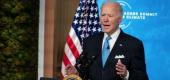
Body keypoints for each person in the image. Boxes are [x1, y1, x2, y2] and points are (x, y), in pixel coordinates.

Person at [65, 1, 148, 80]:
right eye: (103, 15)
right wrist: (77, 73)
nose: (105, 19)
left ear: (120, 19)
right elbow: (85, 72)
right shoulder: (90, 42)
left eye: (110, 16)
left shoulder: (134, 44)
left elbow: (142, 77)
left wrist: (126, 74)